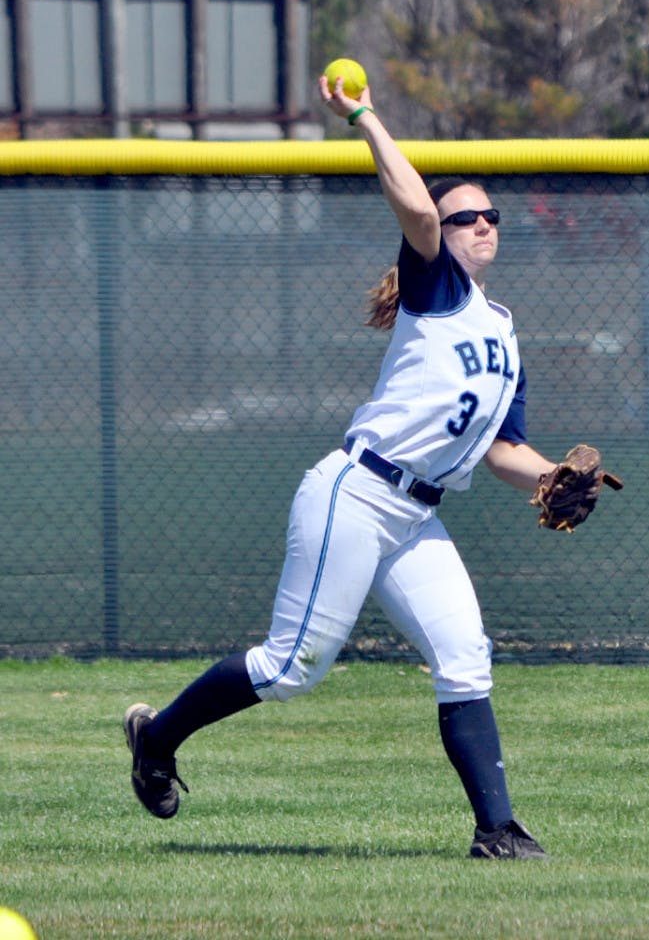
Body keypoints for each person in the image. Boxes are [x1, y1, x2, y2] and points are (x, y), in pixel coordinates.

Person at [123, 73, 562, 860]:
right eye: (466, 217)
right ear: (442, 231)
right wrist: (363, 117)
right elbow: (416, 209)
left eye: (492, 215)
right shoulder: (437, 288)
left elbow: (503, 448)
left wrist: (552, 477)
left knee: (464, 656)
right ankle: (157, 739)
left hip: (416, 512)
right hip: (356, 494)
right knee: (293, 666)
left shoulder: (504, 330)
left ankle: (496, 831)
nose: (482, 224)